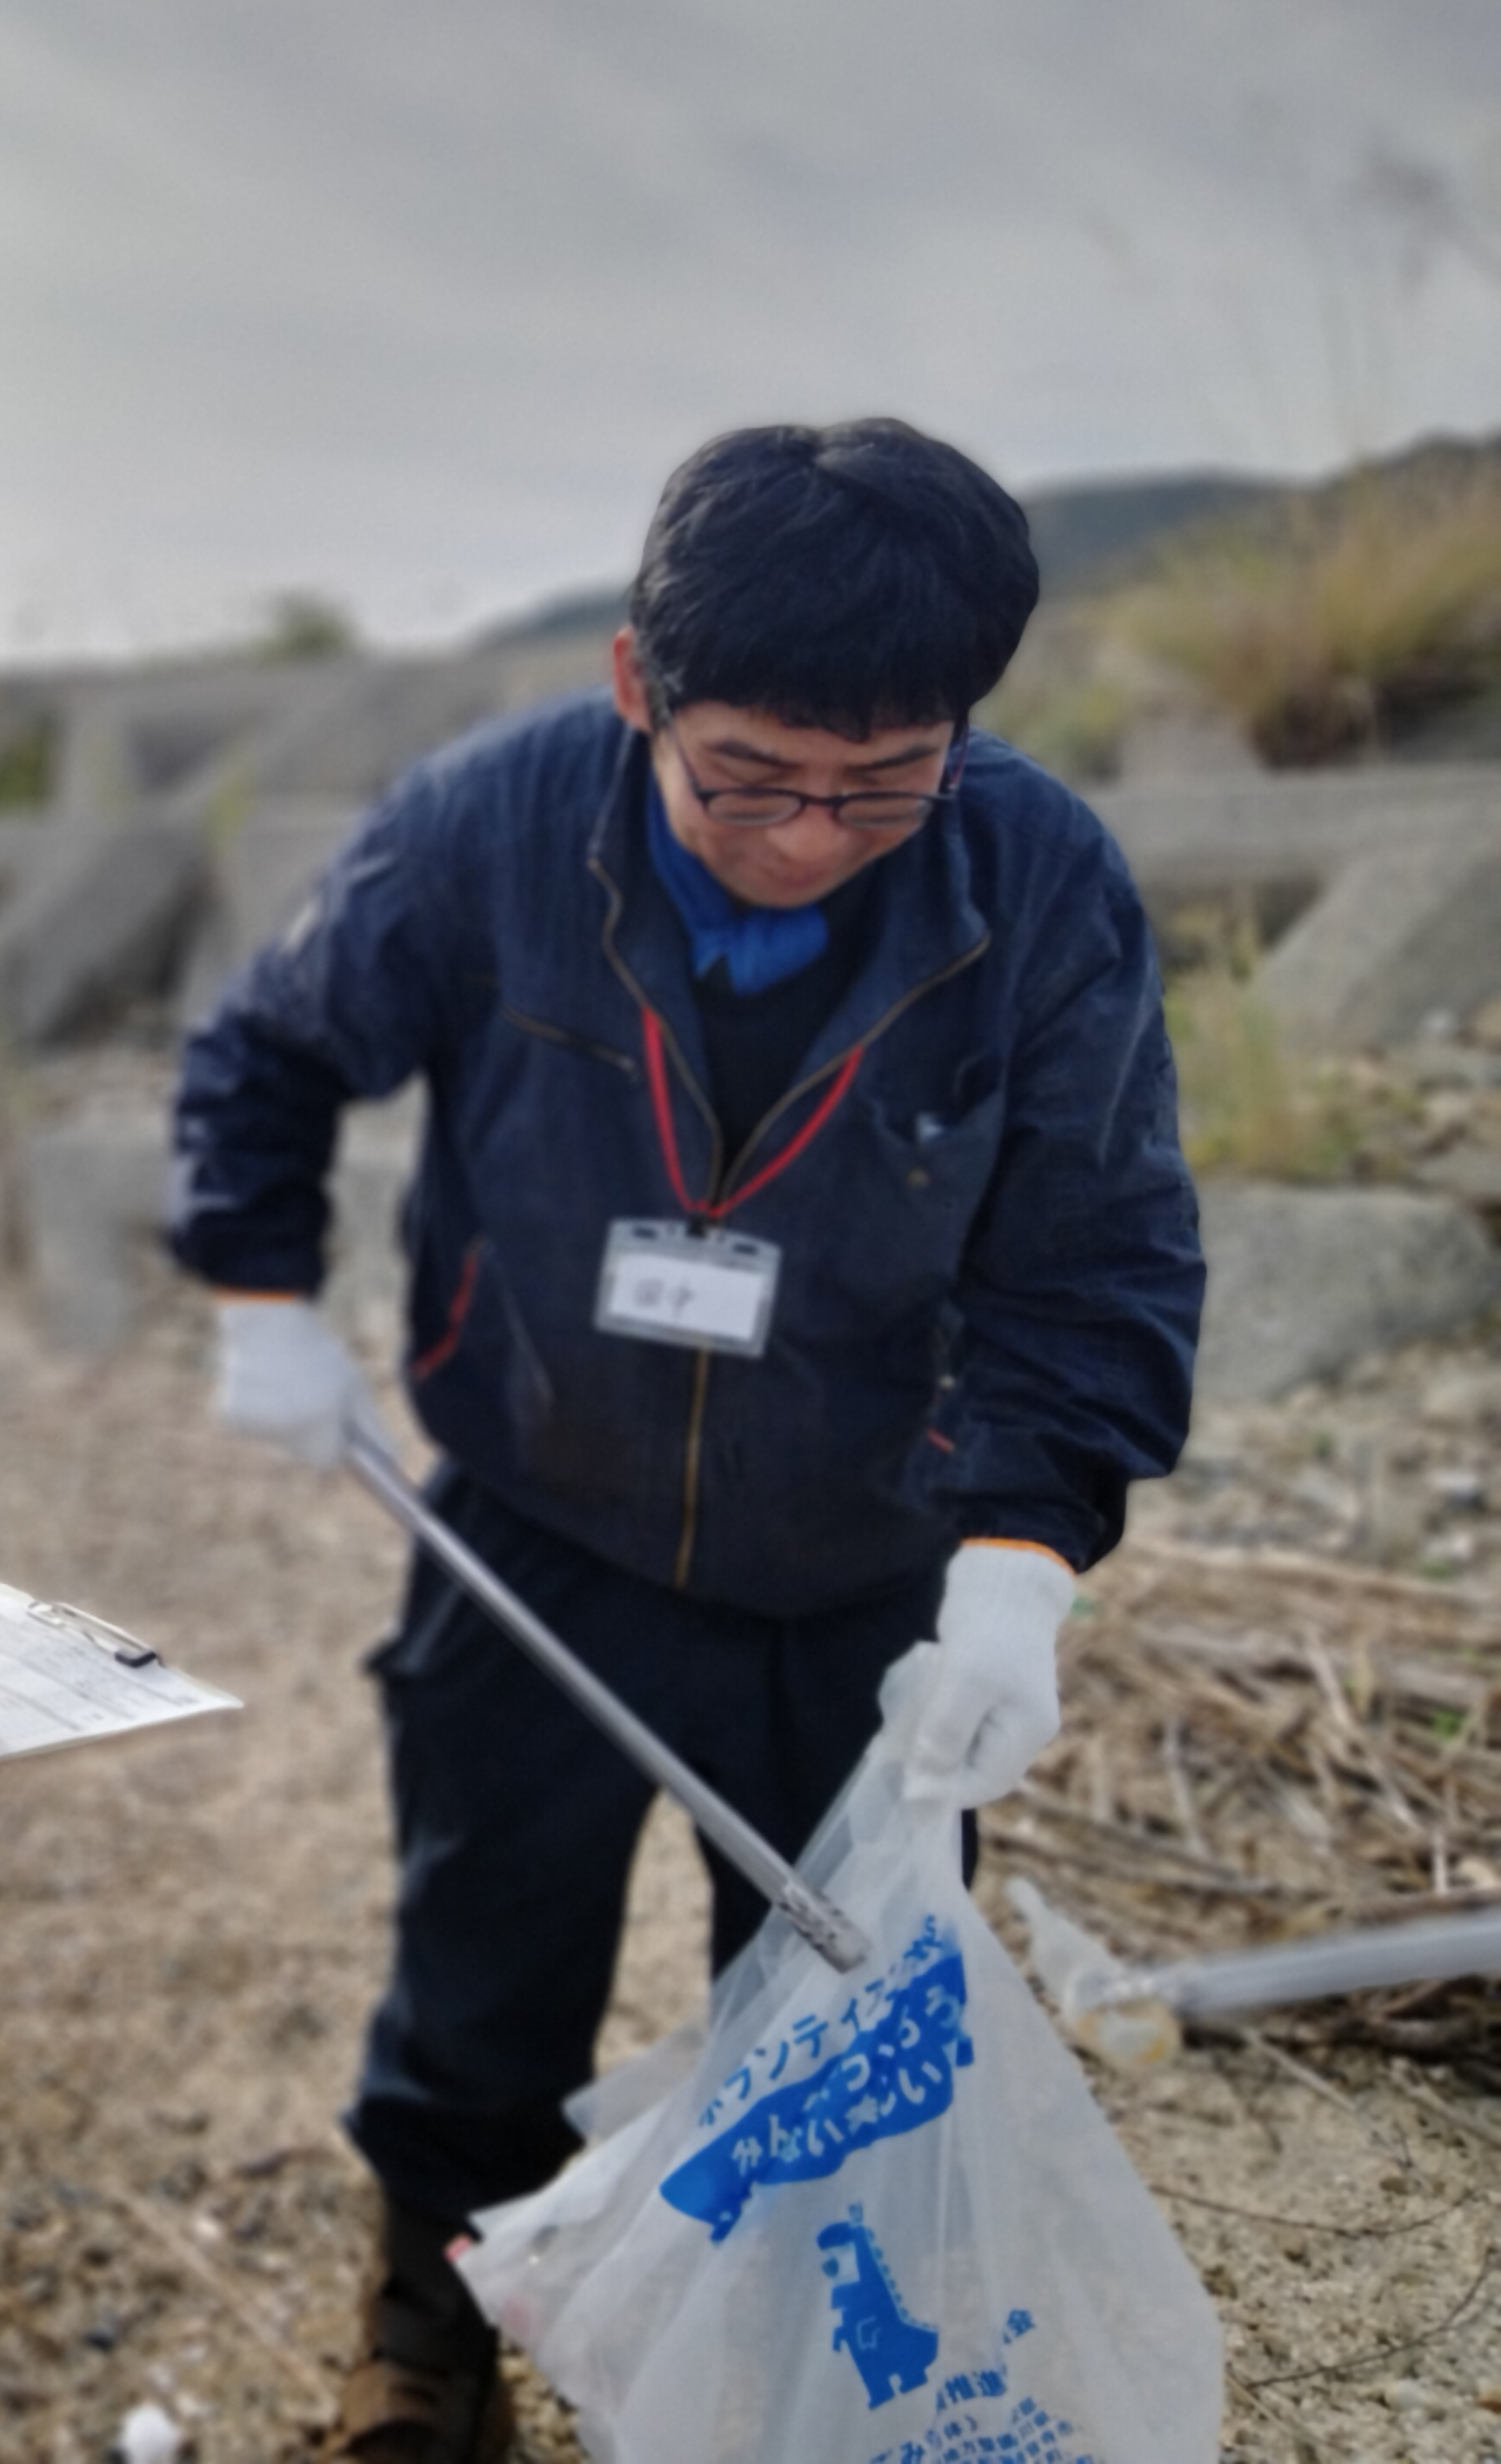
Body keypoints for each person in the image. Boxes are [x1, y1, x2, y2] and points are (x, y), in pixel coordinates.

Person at [166, 422, 1203, 2463]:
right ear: (636, 682)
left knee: (841, 2007)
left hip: (867, 1546)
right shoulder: (490, 824)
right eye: (745, 778)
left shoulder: (1034, 876)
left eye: (878, 785)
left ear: (955, 735)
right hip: (538, 1518)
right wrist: (256, 1293)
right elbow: (266, 1048)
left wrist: (1014, 1578)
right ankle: (427, 2315)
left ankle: (799, 2365)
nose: (807, 836)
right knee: (483, 1946)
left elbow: (1091, 1250)